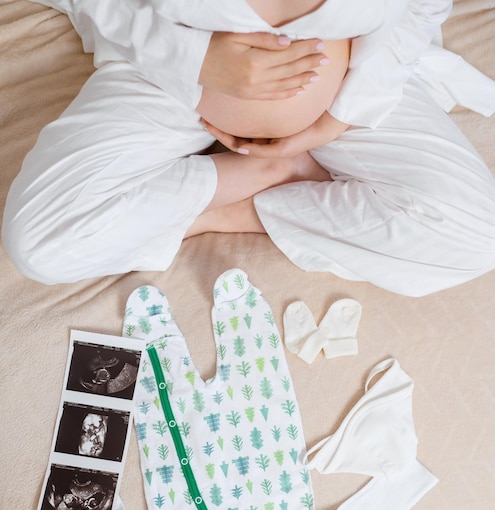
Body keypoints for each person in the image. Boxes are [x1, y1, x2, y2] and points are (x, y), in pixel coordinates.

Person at [2, 0, 495, 295]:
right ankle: (258, 180)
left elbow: (419, 6)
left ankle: (234, 207)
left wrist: (338, 117)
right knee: (40, 245)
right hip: (169, 79)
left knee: (476, 237)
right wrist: (194, 57)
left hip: (348, 95)